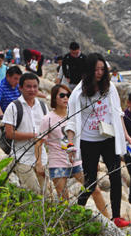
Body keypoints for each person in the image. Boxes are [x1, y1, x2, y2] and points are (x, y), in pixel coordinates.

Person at [63, 54, 131, 228]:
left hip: (108, 137)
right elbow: (71, 121)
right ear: (87, 71)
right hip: (88, 140)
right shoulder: (78, 94)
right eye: (96, 70)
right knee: (91, 179)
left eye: (102, 69)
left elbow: (117, 113)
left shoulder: (109, 88)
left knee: (116, 175)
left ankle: (116, 216)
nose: (100, 73)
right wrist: (70, 144)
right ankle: (78, 210)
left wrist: (125, 134)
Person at [36, 84, 109, 214]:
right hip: (57, 162)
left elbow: (86, 139)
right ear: (54, 98)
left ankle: (109, 220)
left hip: (78, 160)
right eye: (62, 95)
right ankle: (68, 228)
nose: (66, 98)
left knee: (93, 189)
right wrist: (39, 163)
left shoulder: (75, 115)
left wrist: (93, 160)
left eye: (68, 95)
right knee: (64, 199)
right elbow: (38, 142)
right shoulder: (47, 119)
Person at [1, 72, 48, 193]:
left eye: (35, 87)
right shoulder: (13, 107)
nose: (32, 90)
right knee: (33, 192)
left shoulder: (42, 106)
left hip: (41, 158)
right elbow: (9, 134)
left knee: (48, 196)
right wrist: (34, 136)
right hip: (22, 158)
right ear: (20, 88)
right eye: (28, 86)